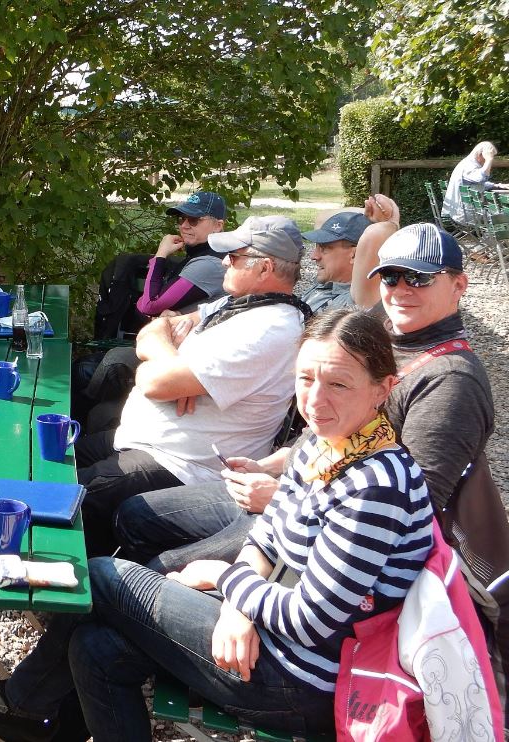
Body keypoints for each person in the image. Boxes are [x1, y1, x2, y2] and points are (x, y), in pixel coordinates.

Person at [0, 309, 435, 741]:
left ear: (383, 388)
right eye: (305, 378)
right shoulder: (323, 443)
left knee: (102, 575)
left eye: (339, 384)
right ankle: (41, 721)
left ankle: (22, 702)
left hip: (301, 678)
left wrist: (225, 580)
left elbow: (312, 621)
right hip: (262, 630)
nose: (315, 398)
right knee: (95, 646)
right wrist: (237, 608)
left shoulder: (377, 487)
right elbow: (267, 535)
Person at [114, 219, 494, 580]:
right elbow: (327, 430)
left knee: (157, 569)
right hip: (296, 491)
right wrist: (269, 465)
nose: (401, 290)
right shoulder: (386, 333)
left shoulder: (450, 381)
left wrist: (282, 496)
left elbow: (411, 511)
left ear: (459, 285)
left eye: (419, 277)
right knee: (136, 515)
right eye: (391, 276)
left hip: (337, 538)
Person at [76, 215, 310, 557]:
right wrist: (173, 361)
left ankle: (70, 601)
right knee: (54, 460)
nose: (225, 262)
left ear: (265, 268)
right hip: (144, 442)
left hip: (182, 466)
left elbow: (155, 381)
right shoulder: (234, 305)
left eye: (236, 256)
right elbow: (154, 326)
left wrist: (166, 370)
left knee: (74, 498)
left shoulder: (270, 328)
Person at [74, 192, 229, 429]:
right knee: (85, 368)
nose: (185, 225)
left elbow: (148, 305)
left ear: (219, 226)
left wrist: (160, 255)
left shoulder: (209, 264)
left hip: (181, 352)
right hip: (167, 343)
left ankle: (74, 429)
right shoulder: (198, 257)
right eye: (181, 220)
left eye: (194, 220)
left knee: (84, 370)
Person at [297, 210, 370, 312]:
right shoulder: (327, 281)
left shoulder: (353, 303)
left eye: (324, 248)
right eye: (316, 247)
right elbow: (322, 216)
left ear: (354, 255)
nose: (314, 256)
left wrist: (387, 221)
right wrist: (368, 214)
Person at [443, 141, 505, 222]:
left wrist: (497, 185)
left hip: (462, 211)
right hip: (466, 215)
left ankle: (487, 234)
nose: (490, 162)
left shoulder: (467, 163)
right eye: (486, 158)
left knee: (499, 214)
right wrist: (489, 159)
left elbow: (475, 183)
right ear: (480, 154)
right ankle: (488, 235)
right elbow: (481, 178)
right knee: (504, 217)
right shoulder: (469, 166)